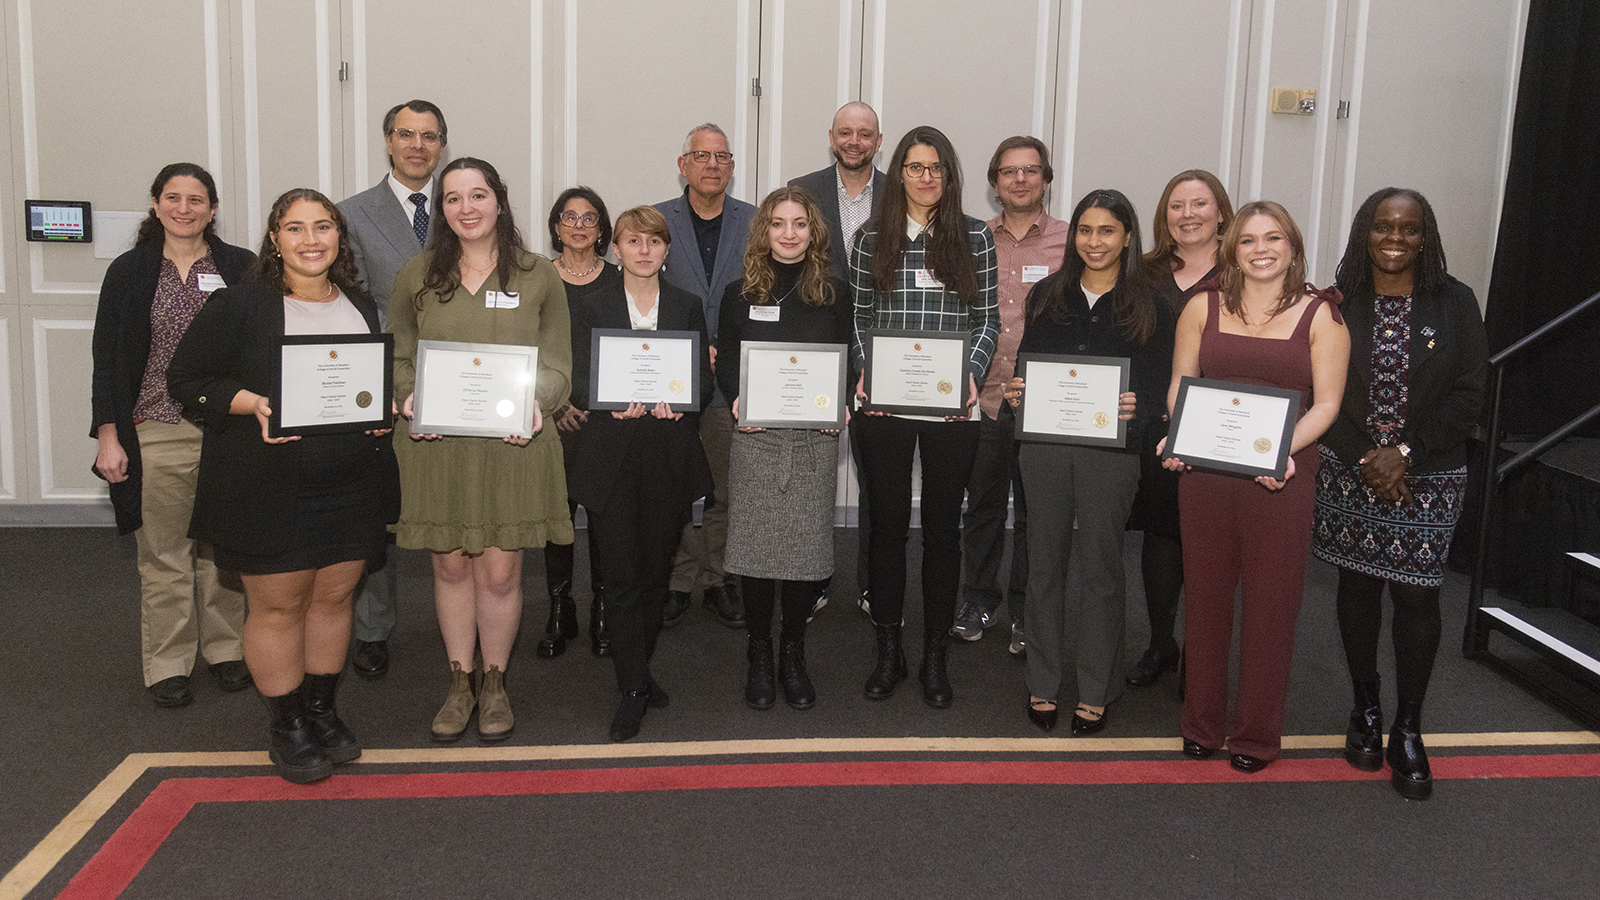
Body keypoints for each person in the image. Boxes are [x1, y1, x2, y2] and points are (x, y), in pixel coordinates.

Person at [167, 188, 400, 783]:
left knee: (333, 599)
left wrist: (383, 407)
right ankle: (288, 722)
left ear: (339, 237)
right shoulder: (241, 305)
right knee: (278, 607)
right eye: (295, 228)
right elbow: (187, 377)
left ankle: (323, 710)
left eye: (323, 227)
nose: (311, 239)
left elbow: (364, 383)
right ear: (275, 239)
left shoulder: (361, 304)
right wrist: (252, 405)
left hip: (352, 483)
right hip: (268, 485)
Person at [1161, 200, 1350, 773]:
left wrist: (1280, 450)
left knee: (1272, 608)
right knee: (1207, 600)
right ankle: (1202, 725)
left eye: (1273, 238)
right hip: (1207, 475)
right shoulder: (1202, 306)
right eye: (1247, 240)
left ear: (1292, 246)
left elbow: (1329, 406)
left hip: (1281, 478)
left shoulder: (1323, 315)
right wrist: (1180, 436)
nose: (1260, 249)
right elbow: (1180, 386)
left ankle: (1256, 736)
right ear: (1230, 248)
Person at [388, 158, 572, 743]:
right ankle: (458, 681)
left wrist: (535, 404)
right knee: (447, 563)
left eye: (478, 195)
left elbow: (559, 364)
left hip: (514, 445)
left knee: (498, 570)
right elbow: (398, 354)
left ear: (499, 200)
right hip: (435, 442)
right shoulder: (415, 274)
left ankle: (494, 682)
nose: (466, 208)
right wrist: (409, 396)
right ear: (440, 208)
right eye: (452, 198)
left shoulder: (538, 275)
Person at [1314, 188, 1488, 800]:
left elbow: (1470, 392)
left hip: (1430, 475)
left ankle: (1408, 727)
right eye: (1384, 226)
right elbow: (1314, 388)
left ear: (1426, 236)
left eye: (1409, 229)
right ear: (1364, 232)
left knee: (1418, 598)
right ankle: (1365, 707)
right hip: (1349, 466)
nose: (1396, 238)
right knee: (1357, 588)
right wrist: (1368, 456)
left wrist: (1405, 452)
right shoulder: (1334, 304)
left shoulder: (1456, 301)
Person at [91, 163, 254, 708]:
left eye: (197, 199)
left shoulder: (239, 267)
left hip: (227, 427)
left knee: (222, 551)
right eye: (174, 198)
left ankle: (227, 650)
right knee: (164, 555)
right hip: (155, 428)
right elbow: (107, 361)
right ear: (155, 204)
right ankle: (168, 661)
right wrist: (108, 435)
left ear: (213, 207)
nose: (185, 209)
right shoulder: (130, 272)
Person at [851, 125, 999, 708]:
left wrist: (972, 375)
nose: (926, 177)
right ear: (900, 173)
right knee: (886, 529)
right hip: (883, 405)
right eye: (915, 167)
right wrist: (867, 371)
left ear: (950, 175)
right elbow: (859, 318)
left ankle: (936, 655)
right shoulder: (870, 239)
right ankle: (890, 650)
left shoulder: (974, 238)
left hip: (952, 407)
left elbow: (988, 319)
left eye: (936, 167)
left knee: (943, 531)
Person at [1004, 189, 1157, 734]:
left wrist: (1138, 407)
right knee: (1041, 566)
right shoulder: (1049, 293)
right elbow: (1026, 363)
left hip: (1110, 454)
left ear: (1128, 237)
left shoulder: (1150, 301)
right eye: (1085, 231)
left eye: (1107, 231)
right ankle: (1042, 682)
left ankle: (1097, 686)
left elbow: (1161, 384)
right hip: (1043, 449)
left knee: (1101, 570)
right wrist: (1020, 391)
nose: (1095, 242)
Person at [565, 206, 715, 742]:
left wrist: (684, 401)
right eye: (633, 241)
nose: (644, 250)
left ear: (667, 249)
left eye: (654, 241)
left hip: (668, 457)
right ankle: (632, 688)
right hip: (610, 458)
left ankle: (640, 670)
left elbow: (701, 381)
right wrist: (607, 400)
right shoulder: (590, 304)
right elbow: (578, 375)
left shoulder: (687, 305)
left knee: (655, 575)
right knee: (621, 577)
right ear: (617, 248)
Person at [717, 186, 853, 710]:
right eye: (778, 223)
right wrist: (737, 401)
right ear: (764, 231)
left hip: (814, 438)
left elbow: (849, 361)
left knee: (803, 551)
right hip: (756, 435)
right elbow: (728, 359)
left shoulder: (834, 293)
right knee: (754, 551)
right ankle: (758, 650)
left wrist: (841, 401)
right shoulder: (739, 293)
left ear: (813, 231)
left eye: (799, 224)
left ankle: (793, 652)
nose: (789, 233)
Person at [337, 98, 450, 678]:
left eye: (429, 136)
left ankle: (459, 625)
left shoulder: (463, 207)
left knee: (450, 505)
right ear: (387, 141)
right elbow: (354, 307)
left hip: (461, 385)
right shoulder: (351, 214)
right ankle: (373, 628)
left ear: (441, 146)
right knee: (378, 511)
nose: (417, 146)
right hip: (386, 382)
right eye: (406, 134)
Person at [954, 136, 1070, 654]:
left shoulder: (1073, 241)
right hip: (981, 395)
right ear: (994, 182)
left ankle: (1027, 609)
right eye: (1008, 172)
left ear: (1045, 178)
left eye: (1029, 171)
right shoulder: (972, 239)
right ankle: (979, 598)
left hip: (1043, 400)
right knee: (979, 506)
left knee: (1035, 513)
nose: (1019, 180)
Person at [1126, 169, 1235, 688]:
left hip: (1222, 428)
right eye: (1176, 206)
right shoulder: (1142, 273)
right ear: (1163, 215)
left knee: (1211, 543)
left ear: (1221, 213)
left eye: (1199, 204)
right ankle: (1160, 642)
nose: (1187, 215)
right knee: (1162, 537)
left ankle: (1202, 651)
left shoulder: (1244, 271)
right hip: (1155, 425)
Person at [655, 123, 757, 629]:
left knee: (725, 487)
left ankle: (719, 578)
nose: (712, 164)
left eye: (721, 156)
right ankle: (677, 577)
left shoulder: (757, 221)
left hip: (730, 381)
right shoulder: (657, 221)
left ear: (732, 167)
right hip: (671, 378)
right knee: (672, 485)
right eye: (701, 154)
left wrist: (731, 353)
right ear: (683, 164)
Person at [790, 101, 887, 617]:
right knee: (813, 476)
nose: (854, 141)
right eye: (845, 132)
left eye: (864, 133)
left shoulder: (901, 194)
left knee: (878, 475)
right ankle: (814, 577)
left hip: (881, 354)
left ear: (878, 140)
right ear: (831, 137)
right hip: (817, 351)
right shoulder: (801, 190)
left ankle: (873, 583)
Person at [542, 187, 619, 659]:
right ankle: (559, 606)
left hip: (606, 418)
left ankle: (604, 606)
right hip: (551, 416)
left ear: (602, 229)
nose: (578, 225)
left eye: (589, 217)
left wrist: (595, 403)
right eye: (569, 216)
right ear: (555, 226)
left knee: (606, 520)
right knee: (558, 517)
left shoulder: (620, 278)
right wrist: (555, 403)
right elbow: (523, 348)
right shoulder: (535, 278)